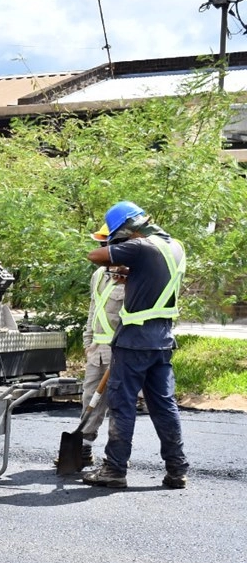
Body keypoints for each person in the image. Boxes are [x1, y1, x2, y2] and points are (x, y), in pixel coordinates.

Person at [83, 201, 189, 489]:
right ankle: (177, 469)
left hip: (134, 343)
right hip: (162, 341)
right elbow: (155, 281)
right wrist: (132, 274)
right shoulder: (176, 248)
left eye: (120, 235)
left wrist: (119, 253)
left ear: (131, 228)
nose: (120, 241)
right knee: (164, 405)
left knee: (122, 405)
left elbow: (96, 254)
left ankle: (114, 470)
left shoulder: (141, 247)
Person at [56, 224, 125, 470]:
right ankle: (84, 449)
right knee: (90, 399)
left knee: (119, 406)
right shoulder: (99, 275)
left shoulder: (132, 276)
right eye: (100, 244)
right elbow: (93, 311)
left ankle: (114, 462)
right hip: (97, 351)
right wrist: (87, 342)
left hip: (121, 352)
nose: (101, 249)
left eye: (105, 244)